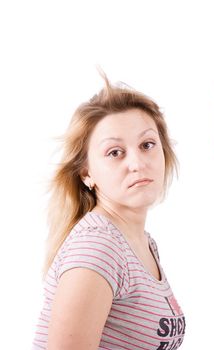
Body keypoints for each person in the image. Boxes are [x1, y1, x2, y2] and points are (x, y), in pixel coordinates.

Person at [33, 76, 185, 350]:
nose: (137, 163)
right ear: (87, 173)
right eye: (115, 152)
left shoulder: (141, 243)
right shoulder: (98, 247)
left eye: (147, 145)